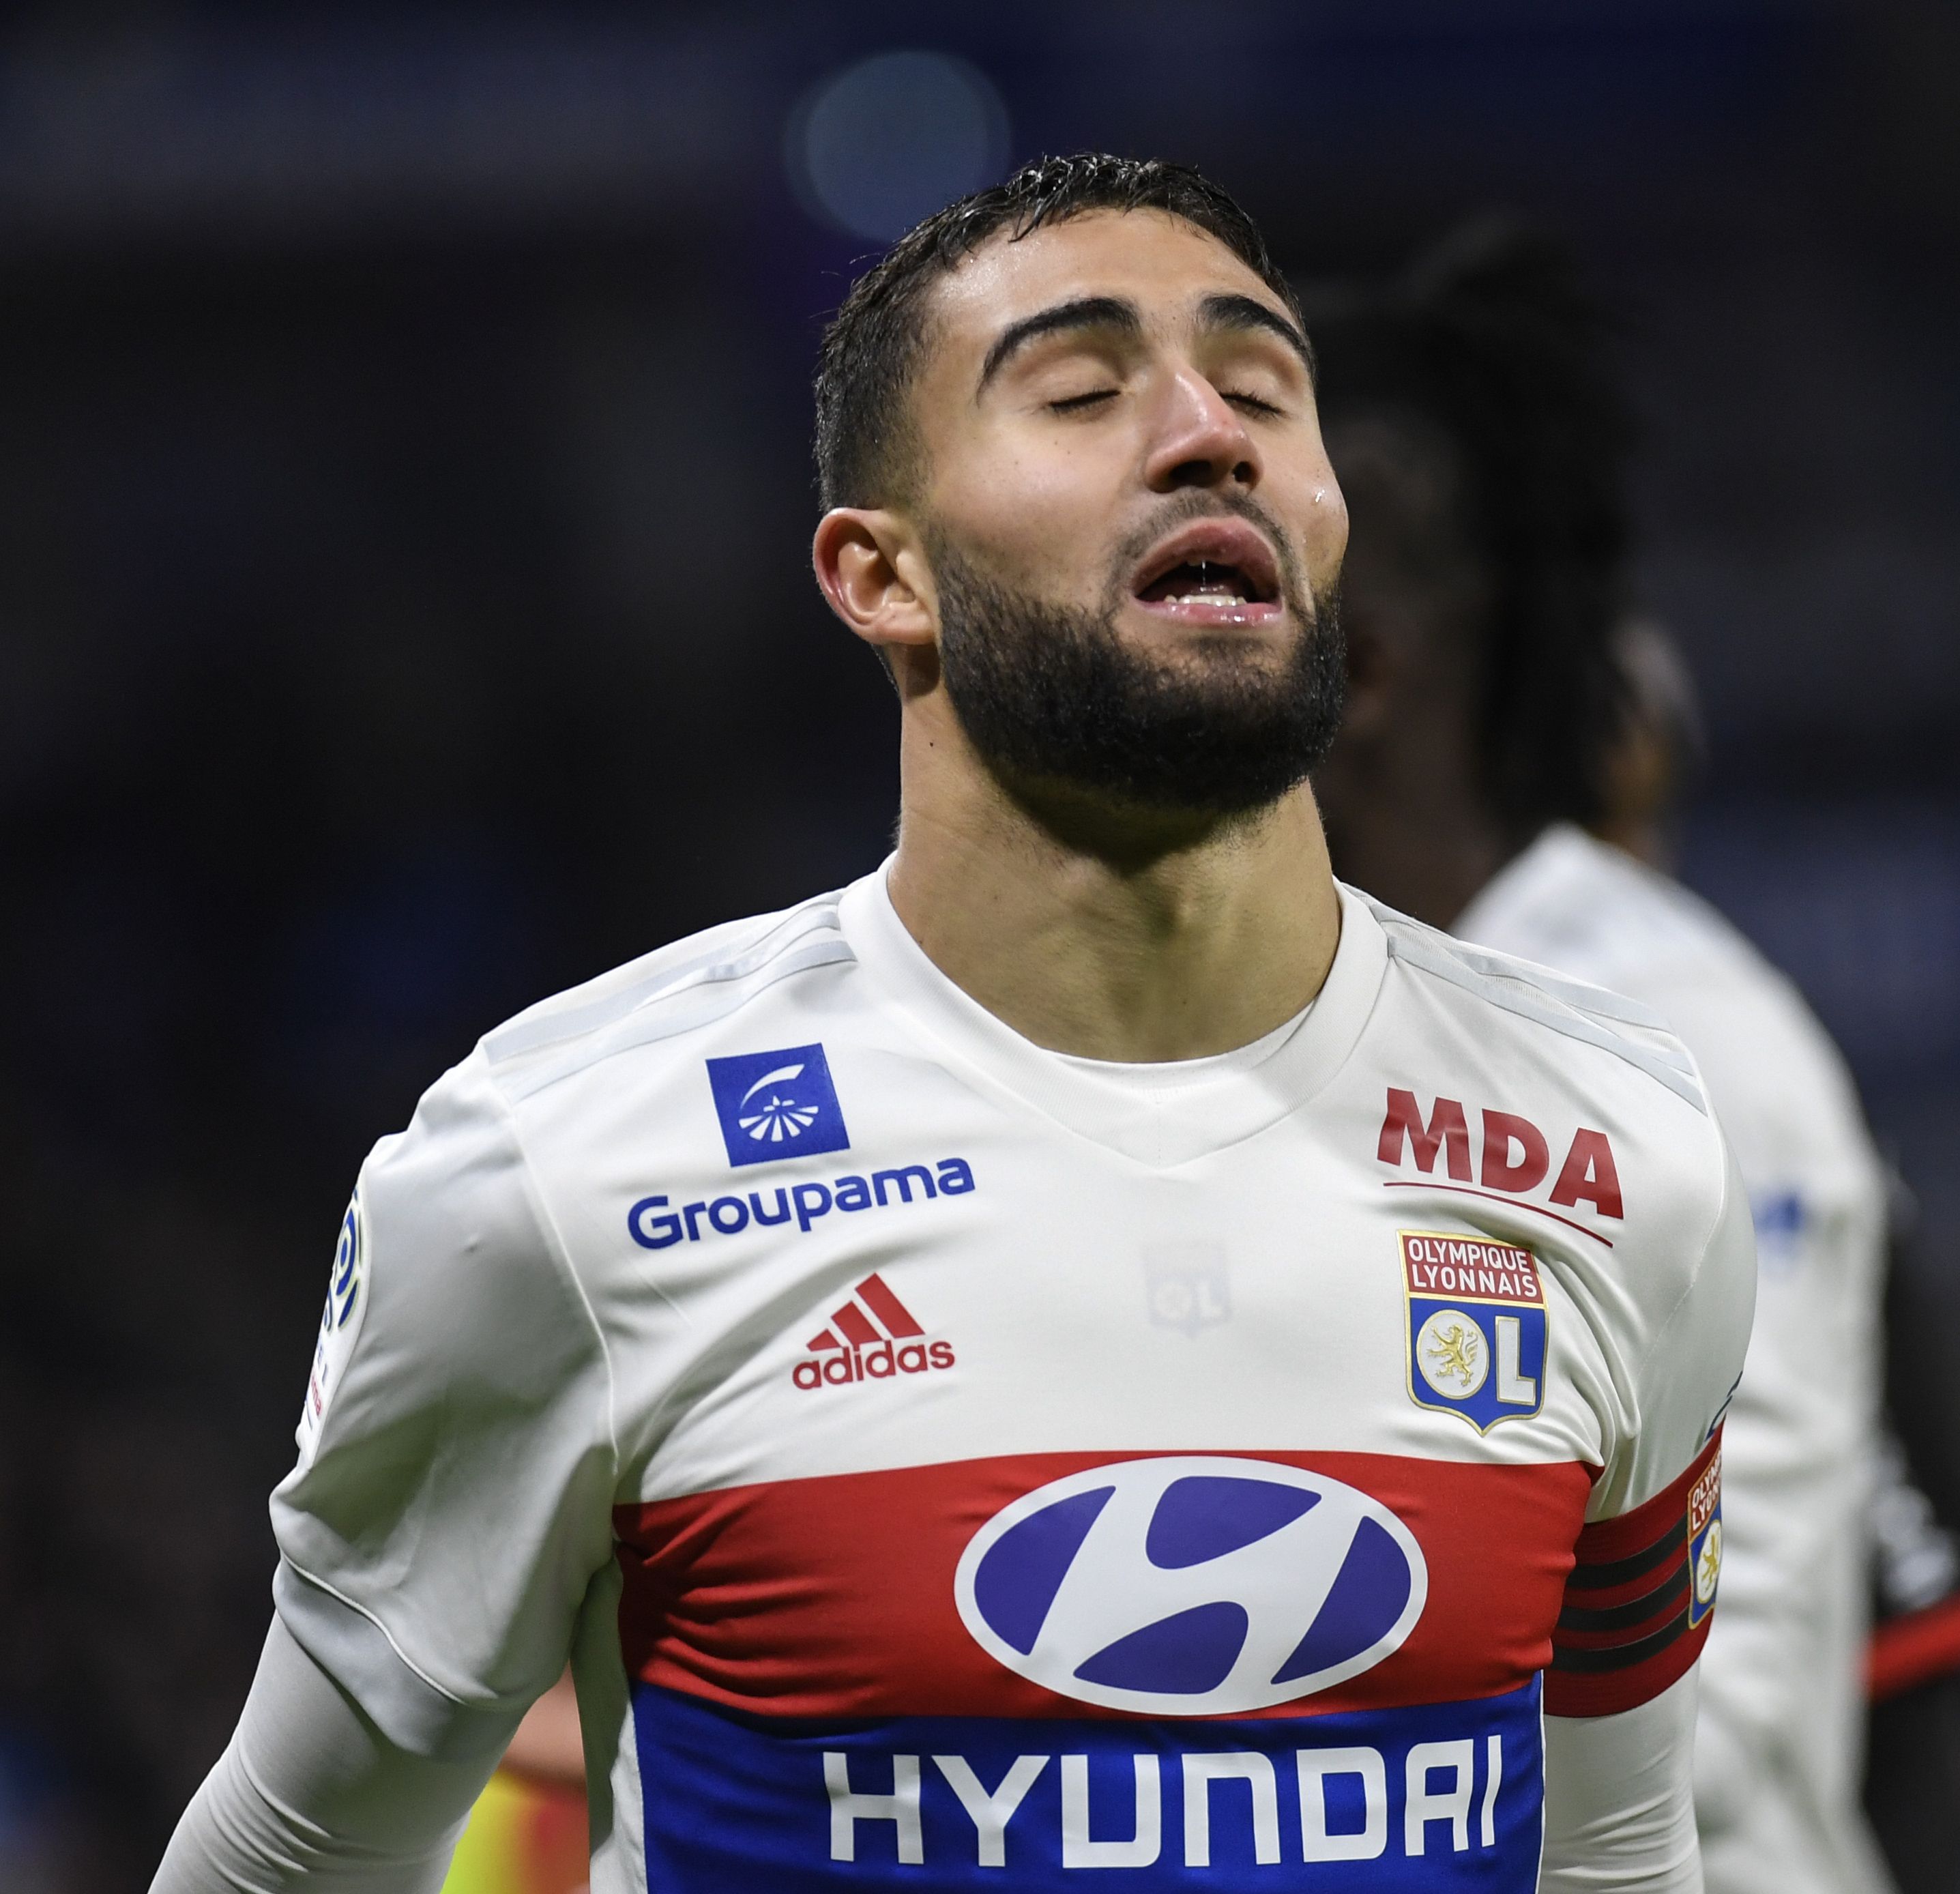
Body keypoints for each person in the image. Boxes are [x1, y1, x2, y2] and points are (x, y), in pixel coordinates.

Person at [151, 154, 1754, 1894]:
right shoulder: (559, 1169)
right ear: (878, 575)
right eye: (1080, 390)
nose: (1205, 431)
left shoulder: (1615, 1150)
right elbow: (295, 1858)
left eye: (1265, 389)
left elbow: (1611, 1858)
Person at [1312, 227, 1898, 1894]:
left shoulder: (1668, 1045)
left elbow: (1717, 1700)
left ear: (1361, 667)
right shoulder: (1299, 1030)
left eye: (1223, 587)